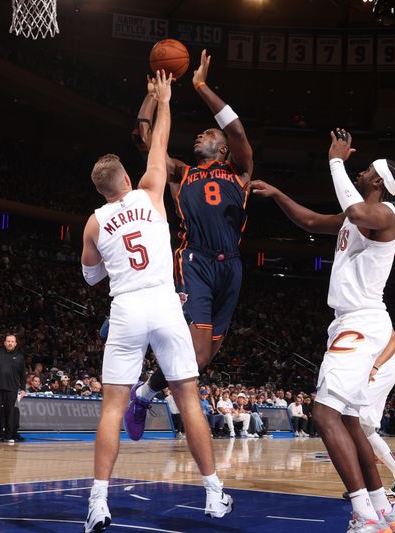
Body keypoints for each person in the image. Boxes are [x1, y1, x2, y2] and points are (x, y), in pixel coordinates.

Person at [80, 71, 232, 533]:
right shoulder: (149, 192)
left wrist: (112, 253)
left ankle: (98, 502)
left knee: (111, 409)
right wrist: (163, 99)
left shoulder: (93, 222)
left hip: (125, 307)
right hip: (165, 303)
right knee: (188, 399)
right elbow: (160, 139)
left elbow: (89, 276)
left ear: (101, 190)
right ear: (127, 177)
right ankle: (212, 493)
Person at [251, 129, 395, 532]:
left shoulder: (386, 215)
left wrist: (334, 161)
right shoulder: (354, 215)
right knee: (351, 420)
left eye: (366, 169)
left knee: (323, 413)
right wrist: (278, 194)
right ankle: (383, 509)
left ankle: (362, 515)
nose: (360, 169)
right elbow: (311, 221)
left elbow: (357, 213)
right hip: (352, 322)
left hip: (359, 322)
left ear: (377, 181)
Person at [126, 50, 255, 439]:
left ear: (223, 149)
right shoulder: (181, 174)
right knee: (195, 355)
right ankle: (147, 389)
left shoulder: (240, 171)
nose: (201, 135)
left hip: (230, 267)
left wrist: (200, 85)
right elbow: (143, 139)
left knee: (202, 361)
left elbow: (236, 128)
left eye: (209, 135)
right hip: (194, 260)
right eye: (201, 134)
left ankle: (146, 392)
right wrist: (152, 94)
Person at [344, 331, 395, 499]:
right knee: (365, 429)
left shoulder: (370, 309)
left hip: (380, 369)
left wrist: (375, 367)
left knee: (351, 420)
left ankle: (362, 485)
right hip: (377, 369)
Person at [0, 334, 26, 443]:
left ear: (15, 344)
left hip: (12, 388)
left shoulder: (20, 357)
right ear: (4, 343)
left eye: (12, 342)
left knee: (10, 412)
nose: (10, 343)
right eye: (8, 341)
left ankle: (9, 436)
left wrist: (23, 388)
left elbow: (23, 374)